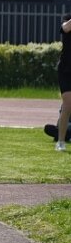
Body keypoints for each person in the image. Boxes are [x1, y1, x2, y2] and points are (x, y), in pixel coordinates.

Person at [54, 14, 71, 151]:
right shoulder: (68, 18)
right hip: (66, 69)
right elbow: (65, 28)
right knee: (67, 103)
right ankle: (60, 141)